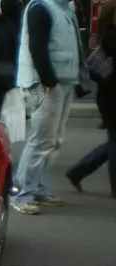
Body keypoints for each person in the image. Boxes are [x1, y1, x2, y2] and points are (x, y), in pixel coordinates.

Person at [10, 0, 88, 214]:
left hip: (62, 83)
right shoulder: (40, 7)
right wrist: (50, 82)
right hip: (47, 85)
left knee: (52, 142)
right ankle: (22, 193)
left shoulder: (64, 7)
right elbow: (37, 48)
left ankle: (39, 190)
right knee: (41, 141)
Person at [66, 0, 116, 197]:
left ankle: (78, 171)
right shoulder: (111, 36)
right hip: (111, 98)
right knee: (114, 143)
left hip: (109, 95)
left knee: (113, 143)